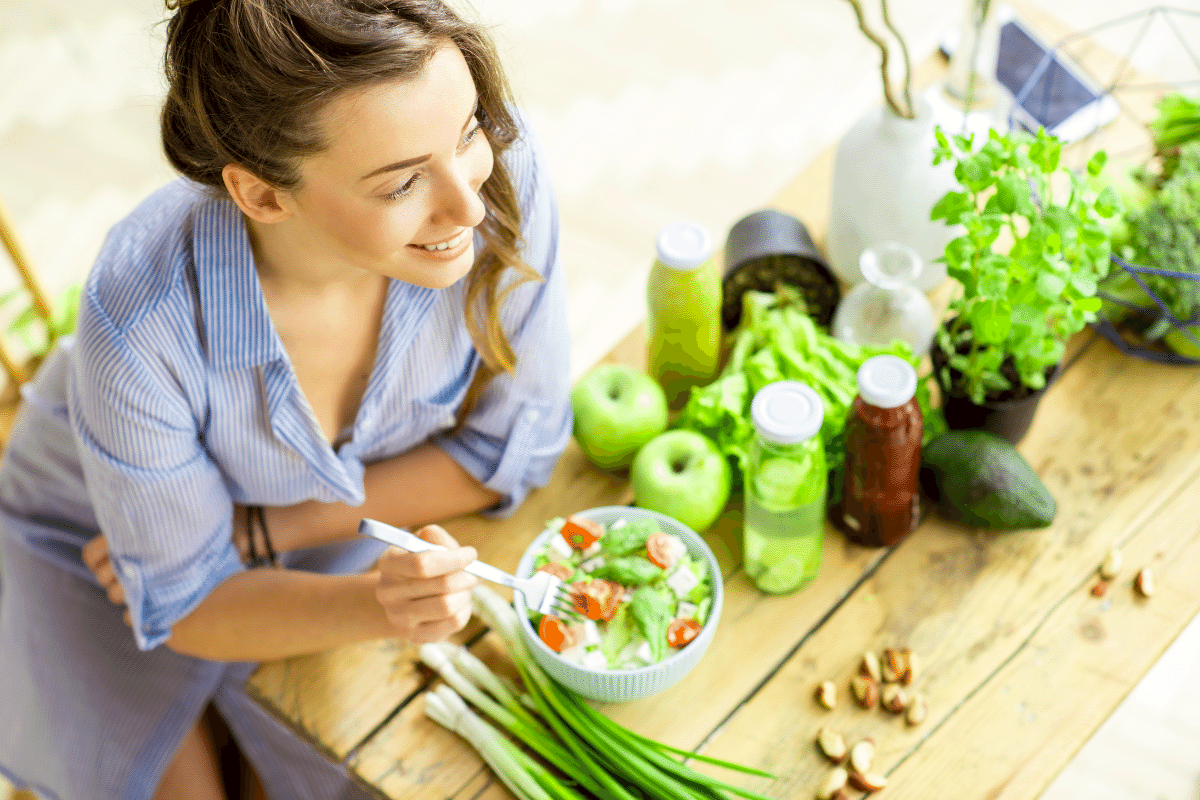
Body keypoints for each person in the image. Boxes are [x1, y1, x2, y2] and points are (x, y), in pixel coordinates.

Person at [0, 0, 572, 798]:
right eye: (403, 182)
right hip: (84, 540)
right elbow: (192, 601)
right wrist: (383, 605)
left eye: (469, 130)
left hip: (292, 532)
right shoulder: (139, 321)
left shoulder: (495, 177)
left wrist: (265, 531)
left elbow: (518, 444)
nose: (469, 207)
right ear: (263, 195)